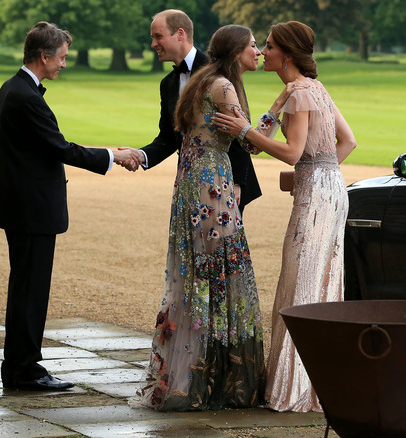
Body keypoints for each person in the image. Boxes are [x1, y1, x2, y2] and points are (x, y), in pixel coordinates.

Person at [212, 21, 357, 412]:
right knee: (319, 281)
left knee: (302, 284)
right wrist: (314, 171)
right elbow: (348, 141)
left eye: (270, 46)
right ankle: (316, 385)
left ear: (287, 56)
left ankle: (296, 393)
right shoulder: (309, 89)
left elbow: (292, 151)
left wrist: (245, 129)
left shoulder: (300, 94)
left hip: (316, 201)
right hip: (331, 191)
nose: (263, 52)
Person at [0, 21, 130, 391]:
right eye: (61, 57)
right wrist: (113, 155)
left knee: (25, 288)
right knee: (30, 291)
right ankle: (25, 370)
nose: (64, 64)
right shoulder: (25, 96)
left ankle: (18, 367)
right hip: (30, 210)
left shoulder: (14, 88)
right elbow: (59, 147)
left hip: (23, 207)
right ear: (44, 56)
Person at [132, 24, 266, 411]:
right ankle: (218, 379)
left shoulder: (202, 79)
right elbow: (251, 142)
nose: (257, 52)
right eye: (253, 46)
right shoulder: (223, 85)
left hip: (191, 185)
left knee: (197, 274)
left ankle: (190, 374)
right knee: (219, 274)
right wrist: (277, 112)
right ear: (237, 50)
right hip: (211, 188)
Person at [118, 9, 261, 211]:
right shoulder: (167, 84)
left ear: (180, 34)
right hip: (189, 178)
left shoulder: (219, 71)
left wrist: (236, 182)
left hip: (225, 179)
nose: (153, 44)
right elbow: (169, 137)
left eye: (158, 36)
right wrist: (141, 155)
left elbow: (238, 126)